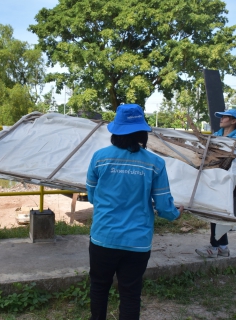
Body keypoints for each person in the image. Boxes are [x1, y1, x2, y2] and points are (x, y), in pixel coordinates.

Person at [86, 104, 183, 320]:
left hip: (103, 238)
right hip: (137, 242)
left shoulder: (99, 158)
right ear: (142, 132)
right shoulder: (155, 163)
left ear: (115, 130)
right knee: (130, 294)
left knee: (99, 287)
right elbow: (164, 207)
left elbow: (92, 196)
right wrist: (176, 213)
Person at [195, 109, 236, 258]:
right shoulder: (216, 135)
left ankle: (214, 247)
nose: (222, 119)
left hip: (231, 180)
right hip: (215, 177)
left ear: (233, 121)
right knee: (215, 210)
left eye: (226, 117)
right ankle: (222, 247)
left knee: (219, 211)